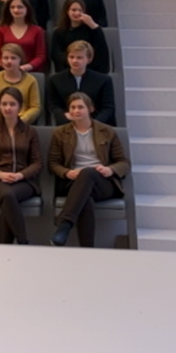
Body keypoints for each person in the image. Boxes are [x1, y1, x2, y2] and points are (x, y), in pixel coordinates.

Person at [50, 91, 129, 247]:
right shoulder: (60, 133)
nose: (76, 111)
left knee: (88, 173)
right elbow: (53, 163)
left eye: (80, 107)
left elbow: (123, 162)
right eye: (72, 107)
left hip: (103, 182)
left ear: (90, 109)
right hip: (74, 182)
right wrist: (66, 172)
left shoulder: (107, 131)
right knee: (85, 198)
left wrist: (110, 170)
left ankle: (65, 224)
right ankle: (87, 249)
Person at [0, 85, 43, 244]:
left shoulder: (30, 132)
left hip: (24, 181)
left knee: (9, 198)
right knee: (7, 195)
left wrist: (21, 175)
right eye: (4, 104)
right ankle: (23, 241)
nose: (8, 108)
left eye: (12, 104)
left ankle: (4, 247)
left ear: (20, 107)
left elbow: (37, 163)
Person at [47, 40, 117, 127]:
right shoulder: (55, 79)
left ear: (89, 59)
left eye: (79, 58)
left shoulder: (104, 80)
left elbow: (108, 108)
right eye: (71, 57)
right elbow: (53, 105)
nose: (74, 61)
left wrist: (92, 123)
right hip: (67, 124)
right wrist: (64, 117)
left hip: (96, 125)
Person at [0, 43, 43, 123]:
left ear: (20, 60)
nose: (9, 61)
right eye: (5, 58)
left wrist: (21, 121)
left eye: (13, 58)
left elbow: (35, 107)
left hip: (22, 122)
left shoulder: (31, 80)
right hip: (0, 121)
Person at [51, 0, 107, 75]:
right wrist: (73, 62)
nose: (77, 13)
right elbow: (56, 54)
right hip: (67, 69)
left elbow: (101, 51)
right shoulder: (59, 31)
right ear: (67, 11)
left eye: (80, 10)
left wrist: (93, 25)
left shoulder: (90, 30)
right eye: (73, 10)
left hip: (89, 69)